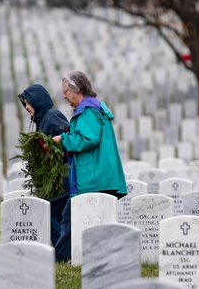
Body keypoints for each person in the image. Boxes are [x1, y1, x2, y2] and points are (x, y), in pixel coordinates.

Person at [52, 70, 127, 262]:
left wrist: (64, 138)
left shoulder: (87, 111)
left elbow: (89, 139)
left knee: (70, 217)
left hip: (92, 176)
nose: (64, 96)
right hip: (98, 175)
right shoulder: (93, 108)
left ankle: (59, 259)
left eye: (65, 91)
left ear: (76, 89)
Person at [18, 83, 70, 248]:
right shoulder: (42, 120)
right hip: (54, 179)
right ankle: (65, 252)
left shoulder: (52, 116)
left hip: (61, 178)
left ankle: (61, 251)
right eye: (24, 103)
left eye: (28, 103)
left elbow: (65, 138)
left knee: (46, 213)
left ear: (38, 101)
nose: (26, 107)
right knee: (59, 217)